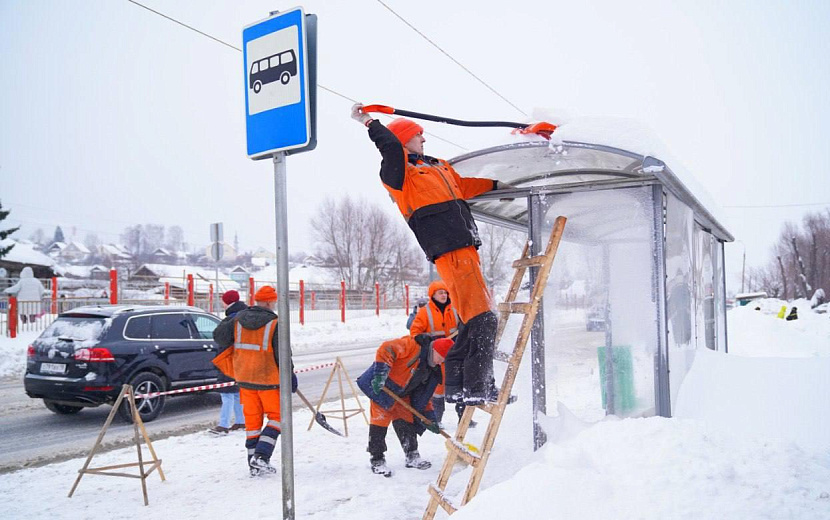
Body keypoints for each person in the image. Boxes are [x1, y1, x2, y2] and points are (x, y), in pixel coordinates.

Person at [352, 104, 512, 406]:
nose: (424, 139)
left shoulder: (439, 165)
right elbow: (389, 147)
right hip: (450, 249)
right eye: (417, 135)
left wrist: (494, 186)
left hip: (467, 247)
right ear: (403, 140)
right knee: (484, 320)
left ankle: (457, 386)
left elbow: (463, 186)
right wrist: (369, 121)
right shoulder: (400, 175)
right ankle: (478, 386)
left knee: (471, 320)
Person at [212, 285, 298, 477]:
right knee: (279, 418)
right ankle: (261, 456)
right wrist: (290, 375)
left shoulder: (238, 319)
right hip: (267, 380)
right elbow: (283, 354)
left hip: (244, 379)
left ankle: (253, 465)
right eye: (274, 302)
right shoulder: (275, 323)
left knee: (252, 424)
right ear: (269, 302)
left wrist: (230, 319)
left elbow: (219, 337)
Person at [356, 334, 454, 477]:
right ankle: (377, 460)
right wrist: (380, 375)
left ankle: (412, 455)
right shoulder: (413, 346)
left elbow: (424, 397)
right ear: (435, 351)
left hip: (403, 395)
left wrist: (430, 419)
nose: (441, 362)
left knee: (406, 423)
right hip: (384, 388)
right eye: (441, 357)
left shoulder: (431, 370)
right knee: (379, 422)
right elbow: (386, 349)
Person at [409, 280, 473, 428]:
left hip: (455, 354)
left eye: (445, 292)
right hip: (436, 356)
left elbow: (465, 324)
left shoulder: (455, 309)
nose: (444, 295)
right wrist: (420, 337)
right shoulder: (425, 312)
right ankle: (436, 418)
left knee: (459, 384)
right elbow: (415, 331)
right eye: (440, 293)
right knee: (438, 389)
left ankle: (464, 419)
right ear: (433, 295)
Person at [208, 290, 247, 435]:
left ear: (228, 302)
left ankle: (223, 425)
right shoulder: (244, 315)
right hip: (241, 358)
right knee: (235, 392)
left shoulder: (231, 319)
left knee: (226, 393)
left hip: (229, 358)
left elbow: (221, 338)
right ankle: (241, 421)